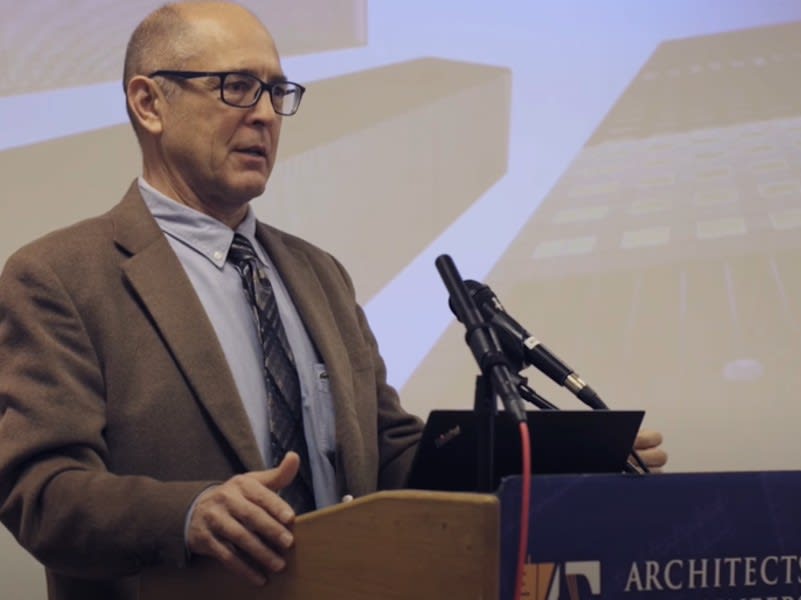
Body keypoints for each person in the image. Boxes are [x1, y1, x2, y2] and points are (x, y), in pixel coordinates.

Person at [0, 3, 667, 599]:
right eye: (237, 87)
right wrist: (189, 514)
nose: (265, 113)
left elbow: (389, 455)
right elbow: (39, 490)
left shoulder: (318, 274)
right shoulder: (59, 277)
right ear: (150, 103)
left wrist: (551, 458)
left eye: (276, 91)